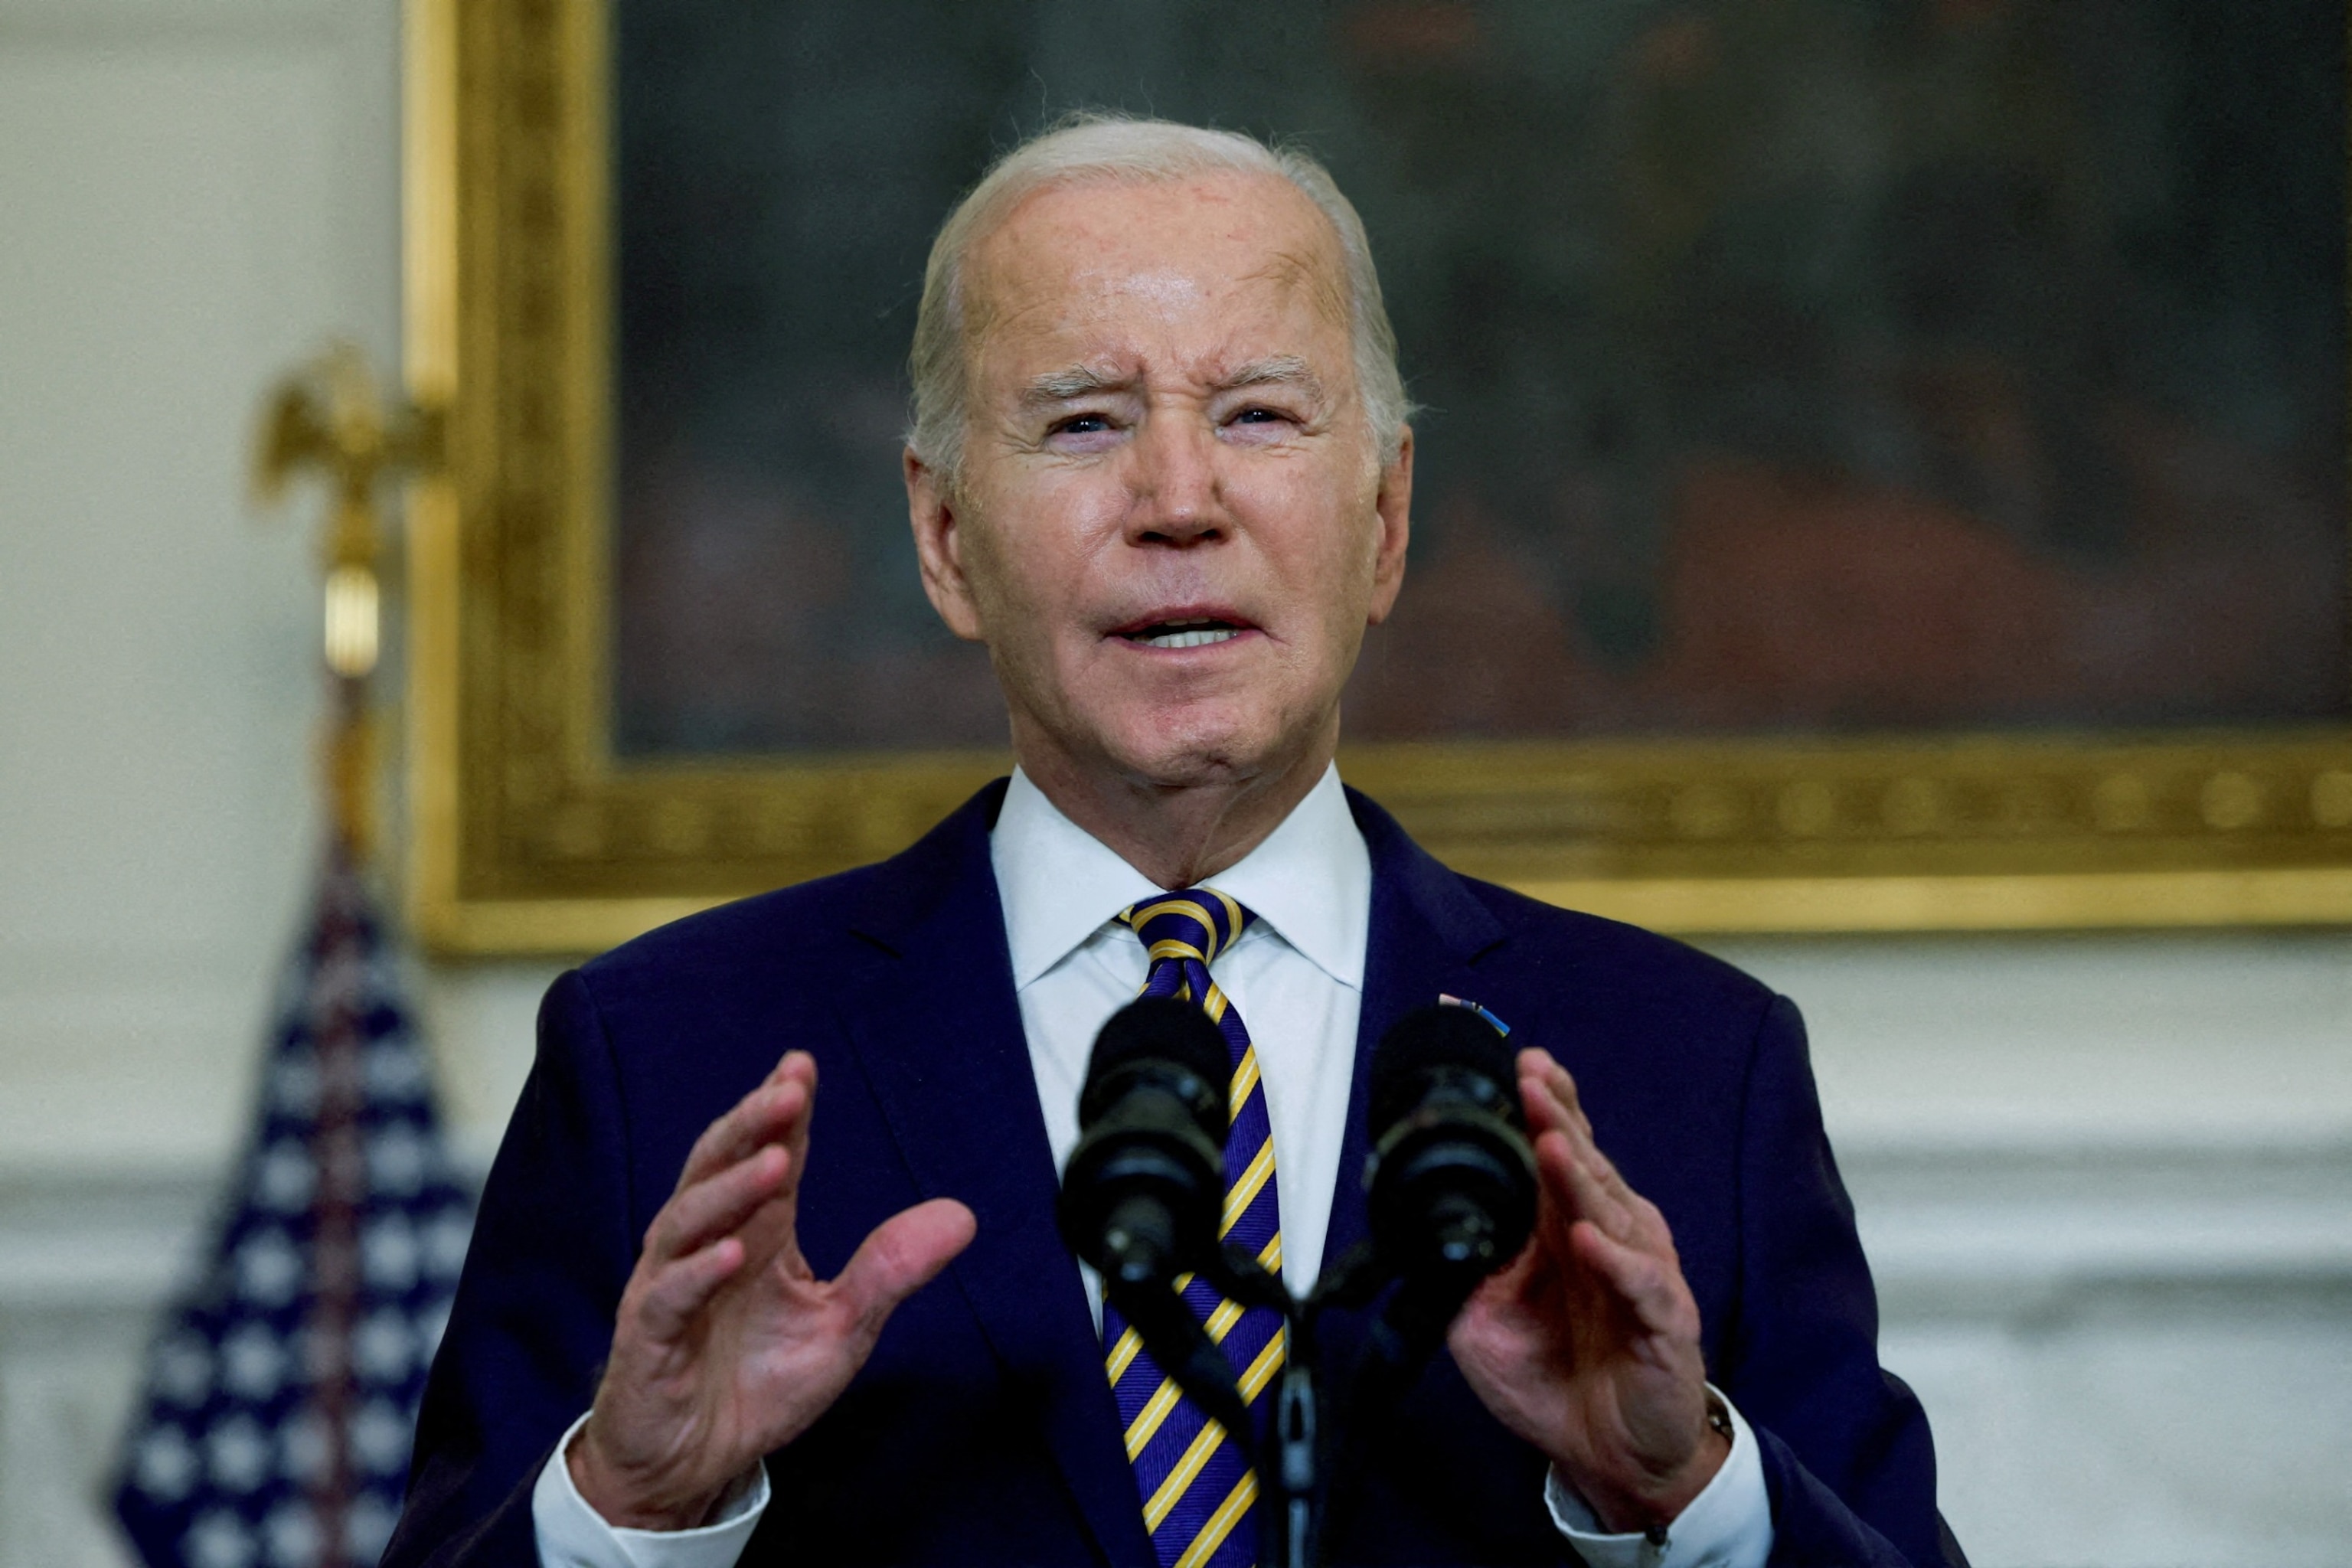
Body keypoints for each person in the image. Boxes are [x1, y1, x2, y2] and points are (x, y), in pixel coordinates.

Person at [386, 116, 1964, 1568]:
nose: (1178, 498)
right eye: (1082, 424)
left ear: (1388, 520)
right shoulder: (663, 1058)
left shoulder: (1690, 1063)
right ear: (944, 538)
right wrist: (631, 1509)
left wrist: (1685, 1486)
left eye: (1260, 414)